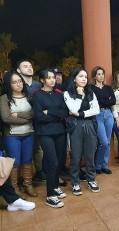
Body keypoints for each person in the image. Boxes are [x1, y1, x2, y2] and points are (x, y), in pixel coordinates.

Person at [32, 69, 68, 208]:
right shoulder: (37, 96)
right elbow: (39, 117)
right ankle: (50, 196)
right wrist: (56, 114)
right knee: (52, 162)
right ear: (42, 80)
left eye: (53, 77)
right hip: (45, 133)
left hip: (60, 131)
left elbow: (65, 112)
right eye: (48, 78)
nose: (52, 80)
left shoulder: (58, 94)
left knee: (60, 161)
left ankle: (54, 186)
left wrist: (50, 112)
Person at [0, 71, 37, 198]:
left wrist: (18, 115)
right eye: (14, 82)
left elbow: (34, 113)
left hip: (29, 133)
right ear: (9, 84)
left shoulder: (29, 96)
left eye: (20, 81)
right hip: (12, 136)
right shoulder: (4, 98)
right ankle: (15, 188)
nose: (18, 84)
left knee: (27, 161)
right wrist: (26, 119)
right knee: (15, 163)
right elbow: (6, 118)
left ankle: (28, 185)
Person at [64, 67, 100, 195]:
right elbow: (73, 108)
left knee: (90, 155)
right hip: (75, 126)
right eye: (80, 76)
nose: (84, 79)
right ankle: (75, 182)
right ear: (74, 78)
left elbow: (96, 110)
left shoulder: (90, 92)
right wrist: (79, 95)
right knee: (76, 156)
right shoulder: (68, 93)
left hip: (90, 124)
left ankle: (91, 179)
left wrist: (81, 113)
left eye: (85, 76)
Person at [16, 60, 45, 182]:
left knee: (37, 148)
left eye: (30, 66)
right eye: (25, 66)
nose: (29, 68)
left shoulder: (39, 86)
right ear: (18, 70)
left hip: (38, 122)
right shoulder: (16, 86)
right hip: (20, 124)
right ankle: (20, 178)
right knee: (22, 150)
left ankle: (39, 172)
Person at [91, 66, 116, 174]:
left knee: (108, 143)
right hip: (98, 115)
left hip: (108, 114)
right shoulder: (91, 88)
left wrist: (101, 100)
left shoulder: (108, 88)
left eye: (102, 74)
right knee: (103, 142)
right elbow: (94, 102)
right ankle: (97, 166)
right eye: (98, 74)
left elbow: (113, 101)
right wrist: (106, 100)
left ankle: (104, 166)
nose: (101, 76)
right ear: (94, 76)